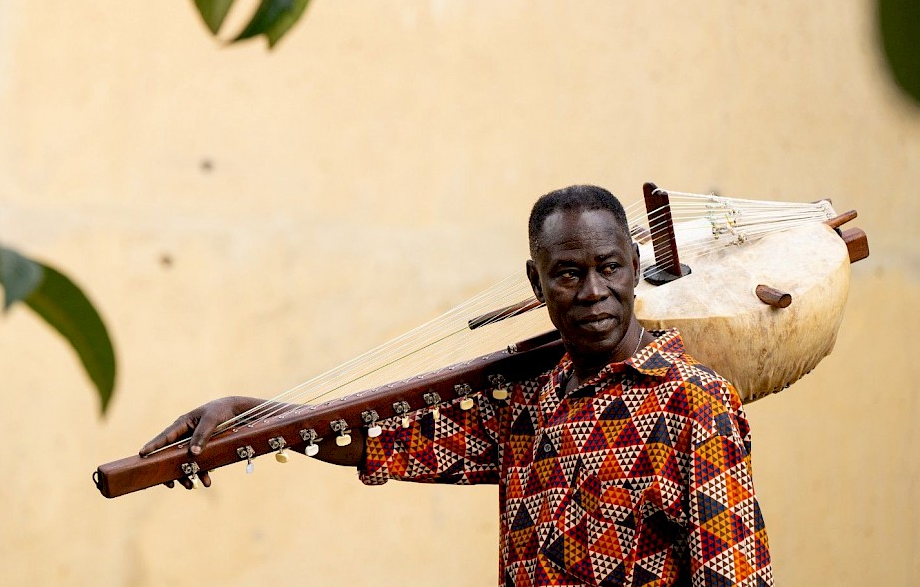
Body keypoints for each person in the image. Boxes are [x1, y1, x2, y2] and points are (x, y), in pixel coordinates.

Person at [141, 184, 773, 586]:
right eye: (568, 274)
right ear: (536, 283)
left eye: (609, 268)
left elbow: (736, 574)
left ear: (635, 267)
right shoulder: (529, 403)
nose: (592, 293)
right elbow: (384, 439)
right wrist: (248, 416)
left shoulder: (693, 402)